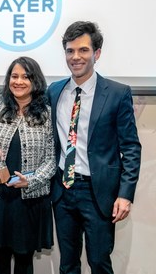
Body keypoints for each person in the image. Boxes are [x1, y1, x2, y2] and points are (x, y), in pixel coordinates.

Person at [47, 21, 141, 274]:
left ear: (96, 53)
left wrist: (125, 194)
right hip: (62, 189)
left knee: (99, 261)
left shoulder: (117, 93)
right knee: (67, 263)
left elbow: (131, 146)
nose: (75, 57)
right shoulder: (54, 91)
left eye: (83, 50)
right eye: (70, 51)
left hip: (98, 192)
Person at [0, 56, 56, 274]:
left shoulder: (47, 114)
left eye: (26, 77)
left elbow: (52, 159)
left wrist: (30, 180)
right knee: (0, 258)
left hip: (29, 200)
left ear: (35, 81)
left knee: (24, 259)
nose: (19, 81)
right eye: (14, 76)